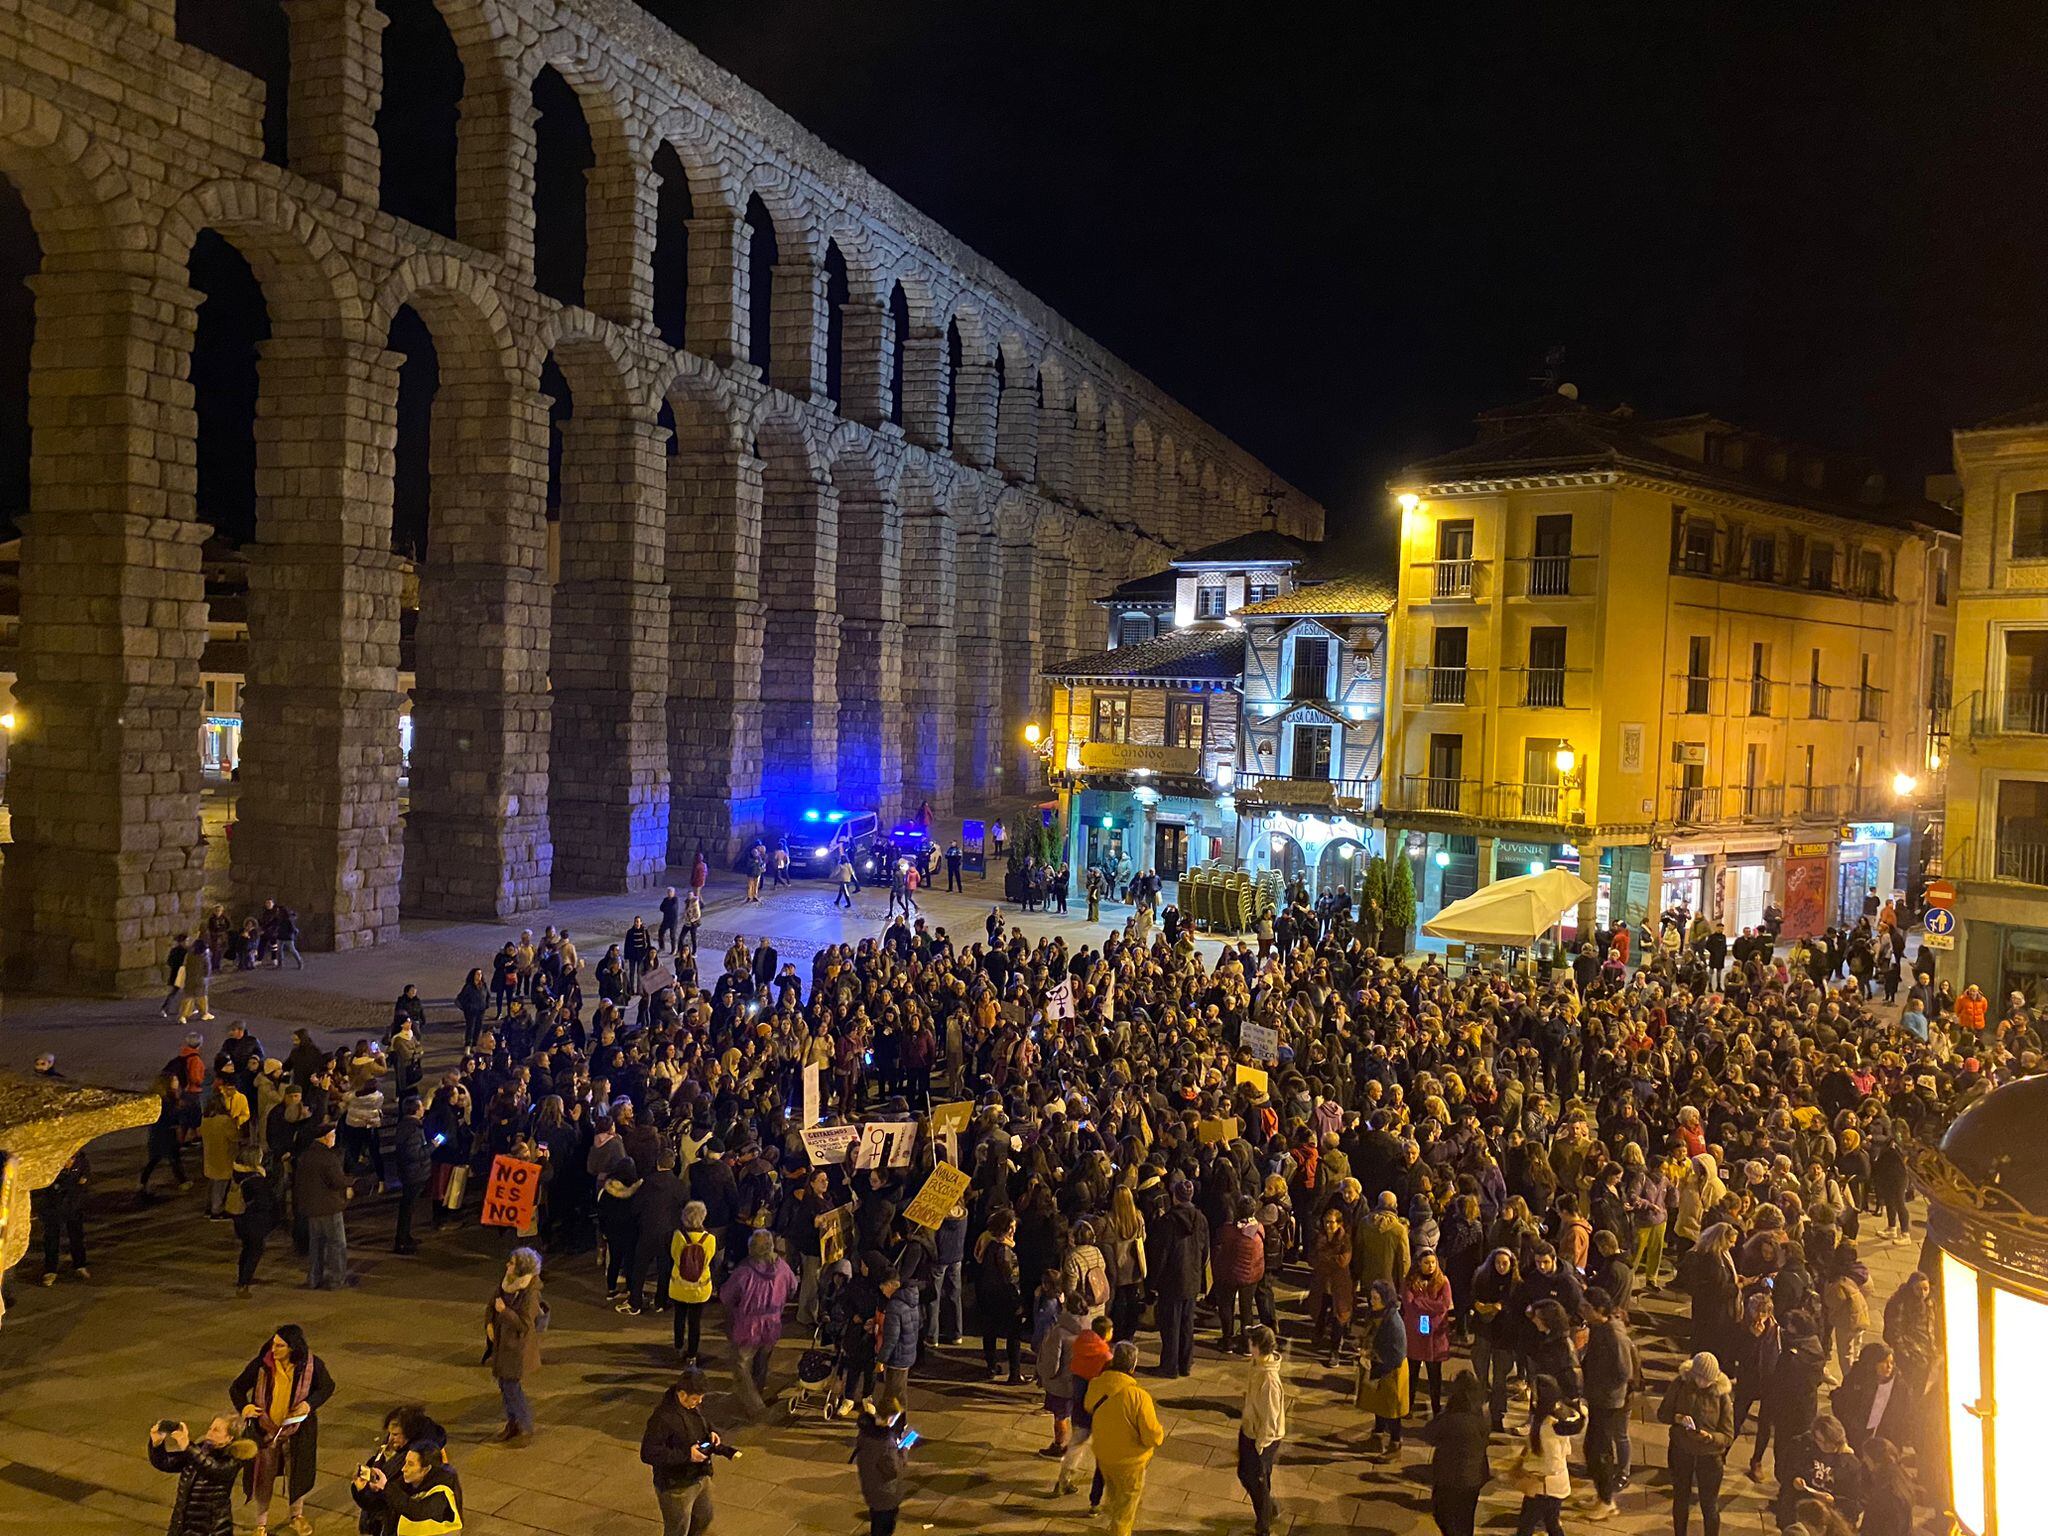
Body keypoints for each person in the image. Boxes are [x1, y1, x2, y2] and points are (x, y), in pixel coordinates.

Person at [229, 1324, 334, 1536]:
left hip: (297, 1432)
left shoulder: (311, 1366)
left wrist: (309, 1404)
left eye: (280, 1346)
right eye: (273, 1344)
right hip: (264, 1431)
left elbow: (327, 1387)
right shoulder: (262, 1364)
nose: (273, 1350)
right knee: (262, 1477)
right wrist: (245, 1407)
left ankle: (297, 1515)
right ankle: (261, 1524)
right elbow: (237, 1388)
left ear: (293, 1348)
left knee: (297, 1473)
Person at [1084, 1340, 1163, 1536]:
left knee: (1114, 1497)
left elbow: (1088, 1406)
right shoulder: (1138, 1396)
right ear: (1133, 1367)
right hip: (1130, 1462)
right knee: (1125, 1509)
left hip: (1104, 1454)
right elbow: (1152, 1435)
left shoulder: (1096, 1384)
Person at [718, 1230, 797, 1418]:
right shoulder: (783, 1268)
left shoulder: (743, 1272)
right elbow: (793, 1288)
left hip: (748, 1327)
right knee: (761, 1363)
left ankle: (755, 1406)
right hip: (772, 1324)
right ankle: (757, 1395)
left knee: (741, 1365)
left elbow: (726, 1296)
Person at [642, 1367, 726, 1536]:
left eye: (701, 1397)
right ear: (682, 1394)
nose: (699, 1402)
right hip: (677, 1486)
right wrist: (688, 1455)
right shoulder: (663, 1418)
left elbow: (701, 1423)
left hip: (699, 1475)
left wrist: (712, 1432)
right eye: (696, 1398)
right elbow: (648, 1452)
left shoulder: (690, 1406)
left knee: (704, 1517)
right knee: (678, 1529)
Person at [1661, 1351, 1736, 1536]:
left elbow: (1727, 1435)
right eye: (1699, 1378)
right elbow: (1663, 1414)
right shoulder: (1680, 1384)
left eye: (1708, 1380)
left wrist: (1711, 1438)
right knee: (1680, 1499)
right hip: (1681, 1450)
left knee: (1709, 1505)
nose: (1703, 1383)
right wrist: (1677, 1418)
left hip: (1709, 1457)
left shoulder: (1721, 1395)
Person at [1580, 1285, 1639, 1520]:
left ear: (1599, 1309)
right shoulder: (1599, 1327)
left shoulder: (1614, 1334)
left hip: (1609, 1401)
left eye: (1586, 1307)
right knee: (1592, 1448)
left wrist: (1599, 1381)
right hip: (1598, 1397)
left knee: (1600, 1450)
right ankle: (1601, 1496)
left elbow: (1624, 1371)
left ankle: (1607, 1501)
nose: (1582, 1310)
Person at [149, 1412, 257, 1536]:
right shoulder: (199, 1450)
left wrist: (187, 1447)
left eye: (216, 1430)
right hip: (183, 1526)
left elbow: (212, 1468)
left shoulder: (232, 1459)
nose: (210, 1432)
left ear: (230, 1438)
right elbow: (167, 1463)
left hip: (211, 1529)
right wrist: (157, 1445)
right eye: (210, 1428)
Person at [484, 1247, 545, 1443]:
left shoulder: (530, 1292)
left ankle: (524, 1424)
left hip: (516, 1348)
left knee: (511, 1386)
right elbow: (491, 1303)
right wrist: (489, 1324)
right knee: (504, 1384)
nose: (507, 1266)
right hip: (502, 1343)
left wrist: (504, 1312)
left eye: (511, 1263)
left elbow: (525, 1324)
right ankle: (513, 1424)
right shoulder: (506, 1282)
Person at [1510, 1374, 1582, 1536]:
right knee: (1551, 1523)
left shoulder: (1547, 1428)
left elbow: (1552, 1464)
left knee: (1526, 1525)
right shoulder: (1559, 1417)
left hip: (1544, 1487)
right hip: (1554, 1486)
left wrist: (1529, 1469)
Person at [1151, 1177, 1209, 1377]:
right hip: (1191, 1278)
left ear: (1175, 1196)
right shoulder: (1200, 1218)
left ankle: (1169, 1366)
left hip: (1172, 1280)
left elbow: (1161, 1254)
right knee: (1186, 1324)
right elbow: (1205, 1250)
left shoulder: (1167, 1221)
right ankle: (1185, 1363)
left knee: (1171, 1326)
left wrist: (1153, 1281)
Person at [1423, 1371, 1491, 1536]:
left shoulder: (1452, 1419)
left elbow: (1429, 1434)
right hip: (1474, 1478)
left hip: (1450, 1478)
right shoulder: (1482, 1416)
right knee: (1465, 1520)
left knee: (1443, 1516)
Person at [1236, 1324, 1287, 1536]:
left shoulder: (1269, 1380)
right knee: (1251, 1475)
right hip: (1249, 1428)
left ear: (1258, 1346)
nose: (1248, 1344)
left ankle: (1263, 1525)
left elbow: (1271, 1418)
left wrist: (1260, 1445)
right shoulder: (1257, 1364)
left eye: (1251, 1341)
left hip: (1262, 1438)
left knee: (1255, 1478)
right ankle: (1268, 1509)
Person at [294, 1121, 352, 1290]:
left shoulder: (305, 1156)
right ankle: (337, 1280)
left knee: (316, 1245)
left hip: (312, 1208)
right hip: (329, 1207)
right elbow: (337, 1181)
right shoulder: (328, 1158)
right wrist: (351, 1182)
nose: (334, 1138)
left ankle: (314, 1278)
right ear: (326, 1138)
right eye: (332, 1135)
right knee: (337, 1245)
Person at [1355, 1278, 1409, 1459]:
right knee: (1378, 1403)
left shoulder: (1393, 1322)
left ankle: (1395, 1444)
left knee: (1391, 1409)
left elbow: (1398, 1353)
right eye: (1371, 1297)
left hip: (1392, 1370)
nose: (1372, 1301)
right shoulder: (1374, 1314)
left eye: (1376, 1298)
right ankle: (1377, 1434)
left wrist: (1375, 1362)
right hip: (1378, 1366)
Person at [365, 1438, 463, 1536]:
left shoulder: (442, 1492)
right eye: (405, 1462)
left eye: (410, 1464)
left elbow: (417, 1511)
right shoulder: (409, 1480)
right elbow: (383, 1503)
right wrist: (363, 1490)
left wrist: (386, 1487)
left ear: (425, 1469)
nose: (403, 1469)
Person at [852, 1405, 912, 1536]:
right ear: (889, 1419)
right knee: (885, 1526)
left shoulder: (866, 1433)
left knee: (876, 1518)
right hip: (885, 1494)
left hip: (870, 1487)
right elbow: (893, 1470)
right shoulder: (886, 1443)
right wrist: (904, 1449)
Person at [669, 1201, 717, 1362]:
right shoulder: (709, 1239)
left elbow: (675, 1256)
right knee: (695, 1322)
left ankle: (678, 1346)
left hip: (679, 1285)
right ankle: (692, 1354)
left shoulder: (678, 1236)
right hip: (700, 1288)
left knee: (679, 1317)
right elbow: (708, 1260)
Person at [34, 1148, 89, 1285]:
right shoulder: (53, 1164)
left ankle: (80, 1265)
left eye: (71, 1159)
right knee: (52, 1240)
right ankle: (50, 1271)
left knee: (77, 1237)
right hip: (53, 1208)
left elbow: (84, 1181)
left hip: (73, 1206)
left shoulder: (82, 1162)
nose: (67, 1163)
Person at [229, 1154, 279, 1298]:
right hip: (255, 1221)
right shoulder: (255, 1180)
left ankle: (242, 1278)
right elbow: (264, 1202)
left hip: (241, 1220)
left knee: (247, 1249)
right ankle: (243, 1283)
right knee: (255, 1251)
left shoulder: (238, 1174)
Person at [876, 1264, 920, 1417]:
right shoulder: (911, 1299)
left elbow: (891, 1339)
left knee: (892, 1396)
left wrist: (881, 1360)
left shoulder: (894, 1306)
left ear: (890, 1285)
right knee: (900, 1392)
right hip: (908, 1353)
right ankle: (900, 1423)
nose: (883, 1293)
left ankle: (893, 1426)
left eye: (883, 1289)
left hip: (897, 1356)